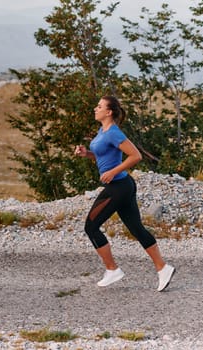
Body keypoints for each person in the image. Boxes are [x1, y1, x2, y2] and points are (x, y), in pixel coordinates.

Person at [74, 95, 175, 291]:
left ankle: (112, 269)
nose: (96, 109)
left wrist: (112, 172)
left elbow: (135, 155)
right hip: (124, 185)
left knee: (91, 227)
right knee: (136, 228)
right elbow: (104, 155)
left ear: (109, 112)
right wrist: (87, 154)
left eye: (99, 106)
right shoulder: (102, 131)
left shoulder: (113, 132)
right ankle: (163, 268)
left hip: (118, 188)